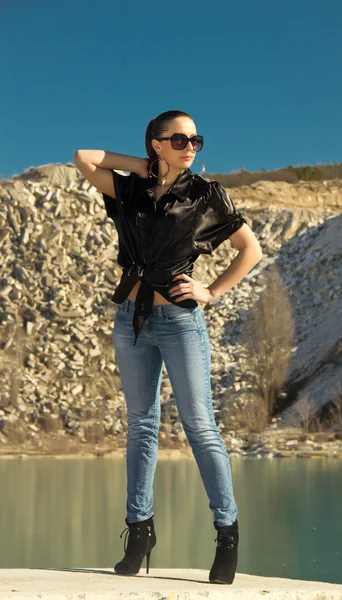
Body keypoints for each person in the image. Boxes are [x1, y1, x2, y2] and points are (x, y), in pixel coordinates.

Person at [73, 110, 263, 584]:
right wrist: (144, 168)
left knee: (200, 425)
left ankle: (227, 534)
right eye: (179, 139)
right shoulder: (131, 190)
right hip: (130, 319)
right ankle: (139, 531)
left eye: (196, 138)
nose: (191, 146)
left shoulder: (205, 194)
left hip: (180, 321)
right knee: (140, 426)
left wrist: (211, 292)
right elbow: (84, 157)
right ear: (157, 144)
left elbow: (250, 250)